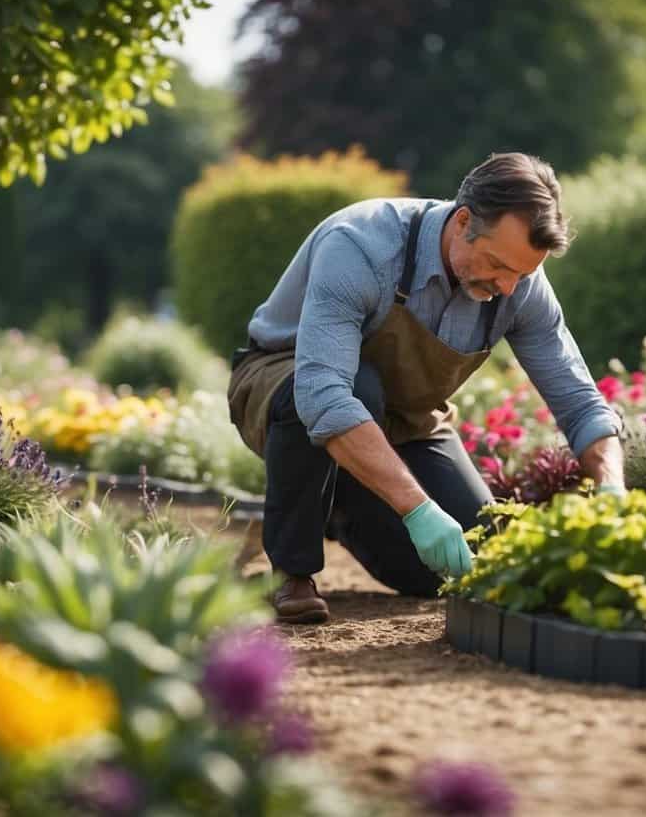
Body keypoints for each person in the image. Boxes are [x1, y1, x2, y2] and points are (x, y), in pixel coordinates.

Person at [227, 152, 624, 624]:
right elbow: (323, 394)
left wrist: (613, 489)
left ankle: (336, 502)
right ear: (462, 221)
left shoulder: (518, 285)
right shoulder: (359, 245)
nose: (508, 287)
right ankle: (291, 570)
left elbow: (580, 403)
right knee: (358, 387)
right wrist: (417, 509)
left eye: (522, 273)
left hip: (408, 416)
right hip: (286, 380)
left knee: (462, 557)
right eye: (498, 265)